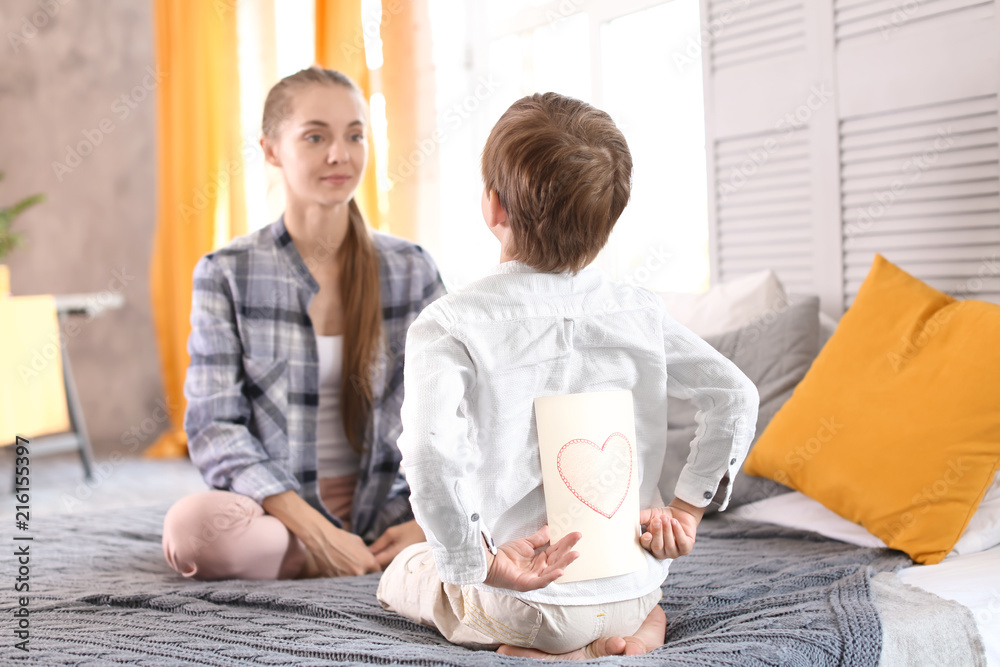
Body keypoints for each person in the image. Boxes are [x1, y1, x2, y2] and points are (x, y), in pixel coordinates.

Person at [377, 92, 759, 659]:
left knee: (405, 570)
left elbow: (429, 455)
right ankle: (627, 639)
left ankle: (546, 650)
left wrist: (479, 563)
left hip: (525, 598)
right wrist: (686, 508)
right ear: (609, 220)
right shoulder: (639, 311)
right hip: (635, 582)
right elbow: (734, 394)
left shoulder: (451, 322)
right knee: (645, 607)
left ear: (493, 206)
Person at [161, 67, 446, 581]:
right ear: (271, 150)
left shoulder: (412, 268)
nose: (340, 154)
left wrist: (433, 521)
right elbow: (213, 425)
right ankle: (345, 557)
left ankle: (372, 553)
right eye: (316, 136)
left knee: (523, 499)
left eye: (354, 135)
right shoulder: (226, 272)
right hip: (279, 512)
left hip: (391, 509)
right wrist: (315, 530)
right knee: (192, 530)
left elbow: (456, 413)